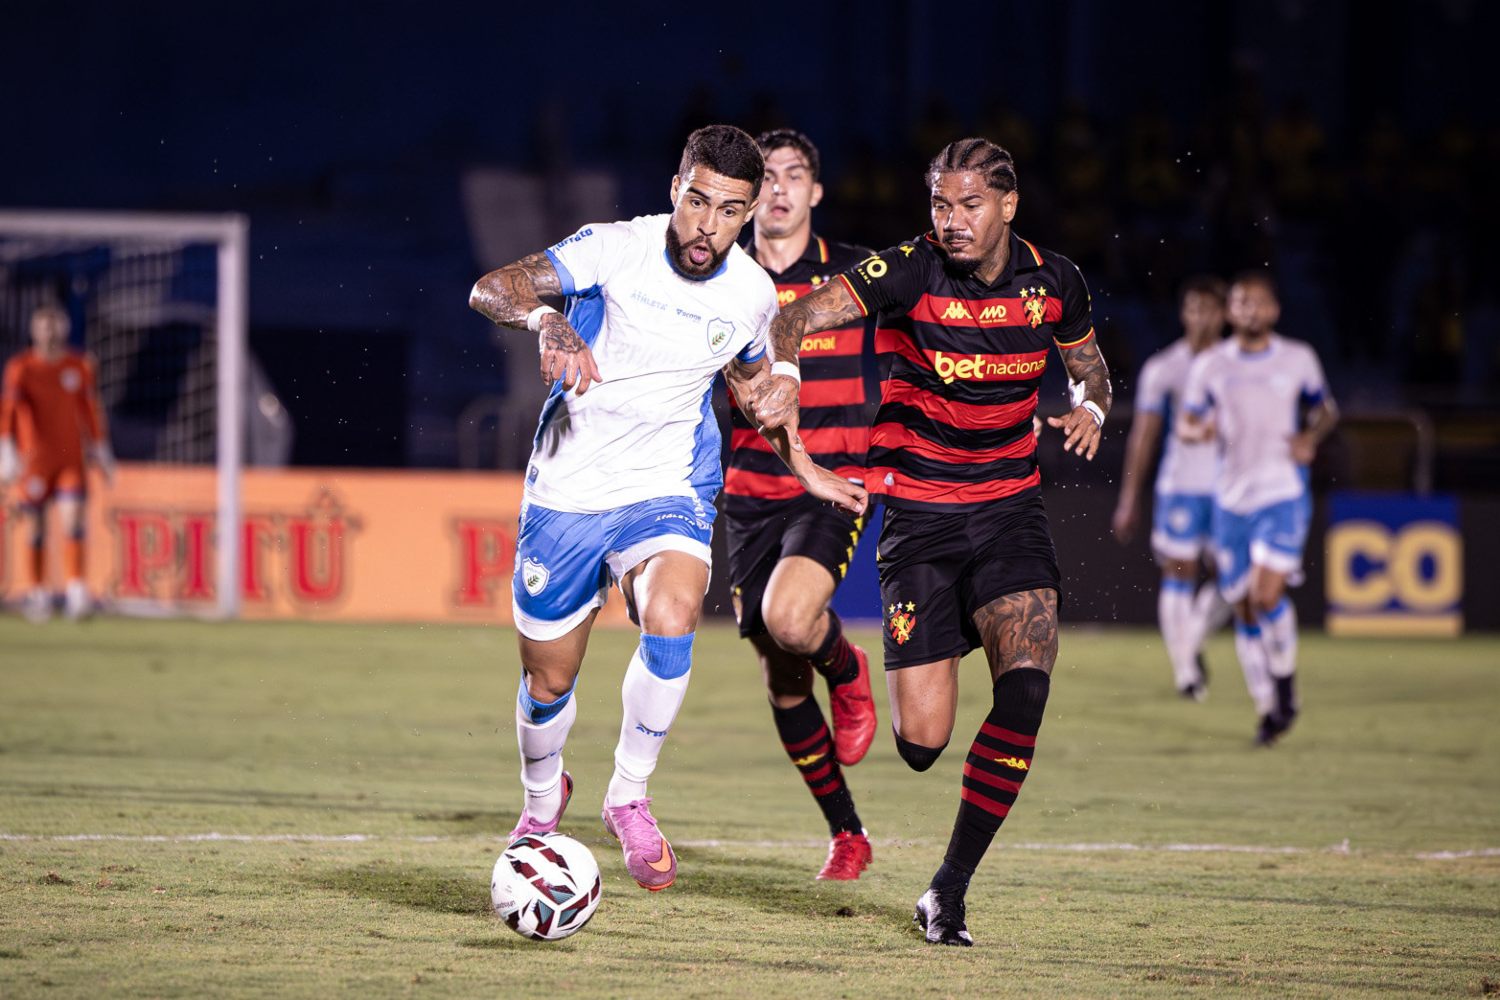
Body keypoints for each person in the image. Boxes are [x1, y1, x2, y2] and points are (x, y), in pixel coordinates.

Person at [467, 125, 867, 893]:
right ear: (674, 189)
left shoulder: (751, 292)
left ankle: (629, 795)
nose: (707, 226)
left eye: (729, 211)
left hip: (669, 485)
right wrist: (546, 320)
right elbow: (493, 287)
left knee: (675, 610)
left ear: (749, 213)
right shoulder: (613, 248)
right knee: (548, 681)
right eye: (697, 201)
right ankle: (543, 800)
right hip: (569, 488)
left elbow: (752, 394)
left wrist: (805, 465)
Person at [755, 138, 1112, 945]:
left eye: (969, 206)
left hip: (1010, 513)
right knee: (922, 744)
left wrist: (1090, 406)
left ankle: (947, 891)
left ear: (1008, 206)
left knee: (1025, 688)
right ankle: (866, 668)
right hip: (918, 521)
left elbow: (1091, 369)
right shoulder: (908, 271)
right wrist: (788, 375)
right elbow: (796, 315)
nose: (950, 223)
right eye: (940, 206)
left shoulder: (1056, 282)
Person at [725, 129, 878, 881]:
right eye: (767, 178)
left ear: (816, 192)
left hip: (834, 485)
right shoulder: (722, 281)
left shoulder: (853, 278)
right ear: (749, 196)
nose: (780, 189)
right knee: (783, 677)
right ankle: (846, 833)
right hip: (747, 497)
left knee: (793, 621)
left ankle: (848, 670)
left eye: (794, 175)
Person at [1179, 271, 1337, 746]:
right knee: (1244, 605)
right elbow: (1187, 422)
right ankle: (1270, 706)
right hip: (1231, 500)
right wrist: (1197, 433)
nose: (1251, 310)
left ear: (1274, 310)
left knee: (1265, 596)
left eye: (1259, 303)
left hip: (1282, 493)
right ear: (1231, 313)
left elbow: (1326, 409)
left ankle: (1286, 687)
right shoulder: (1212, 366)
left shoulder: (1298, 358)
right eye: (1242, 303)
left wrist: (1310, 436)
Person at [1111, 276, 1232, 700]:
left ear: (1225, 315)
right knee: (1179, 573)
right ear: (1184, 314)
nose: (1201, 318)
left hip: (1231, 487)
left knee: (1238, 580)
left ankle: (1191, 641)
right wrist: (1128, 499)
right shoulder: (1165, 368)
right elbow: (1143, 436)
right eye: (1194, 309)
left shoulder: (1237, 364)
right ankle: (1186, 673)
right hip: (1180, 484)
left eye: (1210, 309)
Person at [0, 303, 114, 622]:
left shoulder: (78, 365)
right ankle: (38, 593)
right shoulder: (21, 367)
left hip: (69, 460)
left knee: (73, 520)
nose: (50, 332)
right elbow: (8, 409)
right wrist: (6, 449)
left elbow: (89, 410)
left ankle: (76, 591)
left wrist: (101, 449)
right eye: (44, 326)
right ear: (34, 330)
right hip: (34, 461)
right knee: (35, 526)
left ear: (64, 329)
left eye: (55, 325)